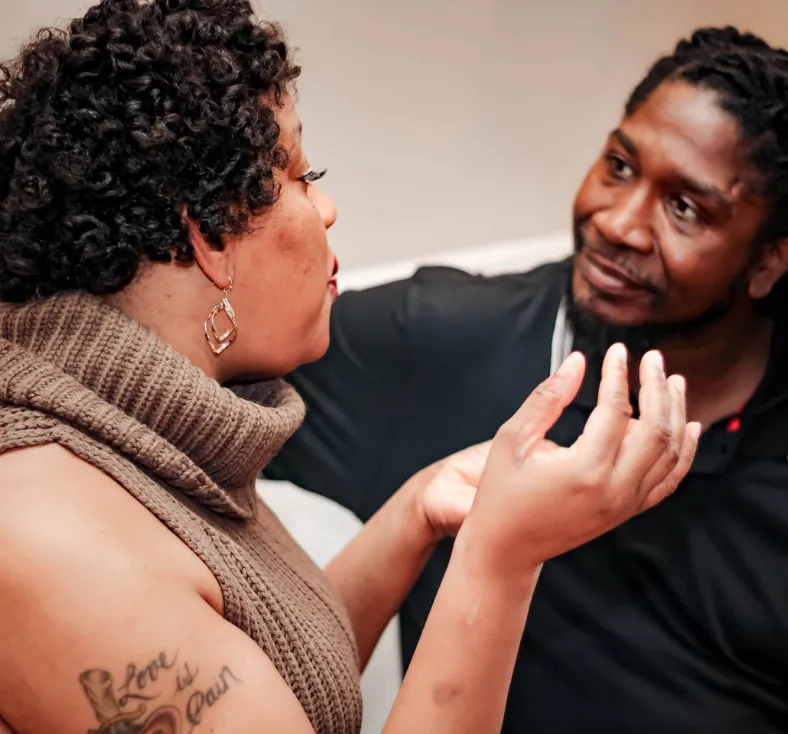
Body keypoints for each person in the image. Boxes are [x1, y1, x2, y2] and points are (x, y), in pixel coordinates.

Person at [0, 2, 698, 734]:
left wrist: (418, 511)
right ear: (210, 235)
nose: (326, 208)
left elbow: (271, 684)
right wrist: (502, 558)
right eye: (303, 175)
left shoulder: (147, 434)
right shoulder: (53, 536)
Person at [267, 25, 788, 734]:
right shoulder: (437, 344)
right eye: (619, 166)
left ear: (769, 263)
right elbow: (177, 390)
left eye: (685, 208)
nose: (619, 222)